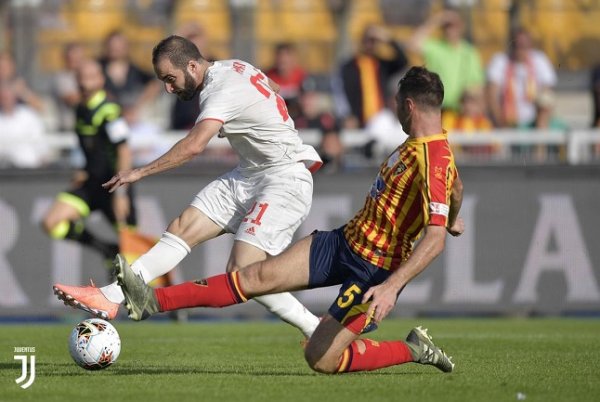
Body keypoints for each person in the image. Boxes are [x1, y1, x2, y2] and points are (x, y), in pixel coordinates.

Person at [114, 66, 465, 375]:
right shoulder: (420, 145)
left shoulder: (432, 157)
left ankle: (413, 349)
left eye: (395, 104)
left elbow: (433, 241)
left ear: (408, 105)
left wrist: (390, 288)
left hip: (374, 271)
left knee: (322, 359)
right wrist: (454, 216)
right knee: (253, 276)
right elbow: (456, 186)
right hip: (343, 242)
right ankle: (151, 301)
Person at [53, 35, 323, 339]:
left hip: (284, 178)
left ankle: (318, 328)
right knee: (182, 227)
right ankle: (111, 295)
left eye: (171, 79)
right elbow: (271, 86)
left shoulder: (218, 90)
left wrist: (140, 172)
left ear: (193, 65)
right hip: (250, 173)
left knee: (243, 271)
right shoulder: (234, 66)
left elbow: (194, 146)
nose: (169, 88)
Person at [42, 59, 136, 271]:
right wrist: (85, 169)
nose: (85, 84)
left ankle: (168, 299)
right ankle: (105, 249)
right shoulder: (80, 110)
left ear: (101, 80)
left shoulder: (109, 111)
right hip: (93, 183)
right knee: (52, 222)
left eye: (90, 78)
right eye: (81, 78)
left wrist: (121, 193)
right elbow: (93, 149)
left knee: (134, 253)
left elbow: (124, 150)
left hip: (115, 185)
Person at [407, 9, 484, 114]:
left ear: (461, 27)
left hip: (460, 111)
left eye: (453, 26)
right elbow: (412, 44)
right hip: (437, 108)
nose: (450, 30)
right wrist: (437, 20)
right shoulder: (436, 47)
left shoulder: (469, 52)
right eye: (446, 26)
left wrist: (469, 99)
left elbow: (476, 85)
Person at [335, 24, 408, 128]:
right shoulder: (349, 67)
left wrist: (388, 39)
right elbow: (340, 93)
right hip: (357, 122)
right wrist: (347, 115)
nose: (370, 44)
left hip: (381, 122)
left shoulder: (381, 65)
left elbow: (403, 60)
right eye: (367, 40)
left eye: (374, 41)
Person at [486, 27, 557, 129]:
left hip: (535, 120)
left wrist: (541, 118)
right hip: (507, 121)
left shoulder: (539, 60)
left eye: (524, 45)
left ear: (530, 45)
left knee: (546, 103)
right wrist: (501, 122)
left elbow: (548, 91)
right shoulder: (500, 61)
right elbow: (492, 95)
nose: (520, 49)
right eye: (517, 45)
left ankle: (539, 142)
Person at [99, 31, 161, 125]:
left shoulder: (135, 70)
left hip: (133, 119)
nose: (115, 48)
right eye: (112, 45)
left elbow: (154, 84)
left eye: (119, 45)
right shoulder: (98, 68)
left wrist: (138, 106)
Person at [0, 79, 50, 168]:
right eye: (3, 97)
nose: (6, 100)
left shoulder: (28, 116)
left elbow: (39, 140)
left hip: (27, 167)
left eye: (8, 96)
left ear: (14, 97)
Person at [264, 43, 307, 120]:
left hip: (298, 117)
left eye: (285, 62)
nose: (282, 64)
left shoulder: (302, 76)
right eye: (280, 61)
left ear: (293, 59)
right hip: (274, 117)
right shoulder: (268, 77)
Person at [51, 42, 85, 131]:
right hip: (68, 128)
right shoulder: (60, 78)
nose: (76, 61)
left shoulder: (85, 76)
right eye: (72, 58)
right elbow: (71, 100)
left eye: (78, 57)